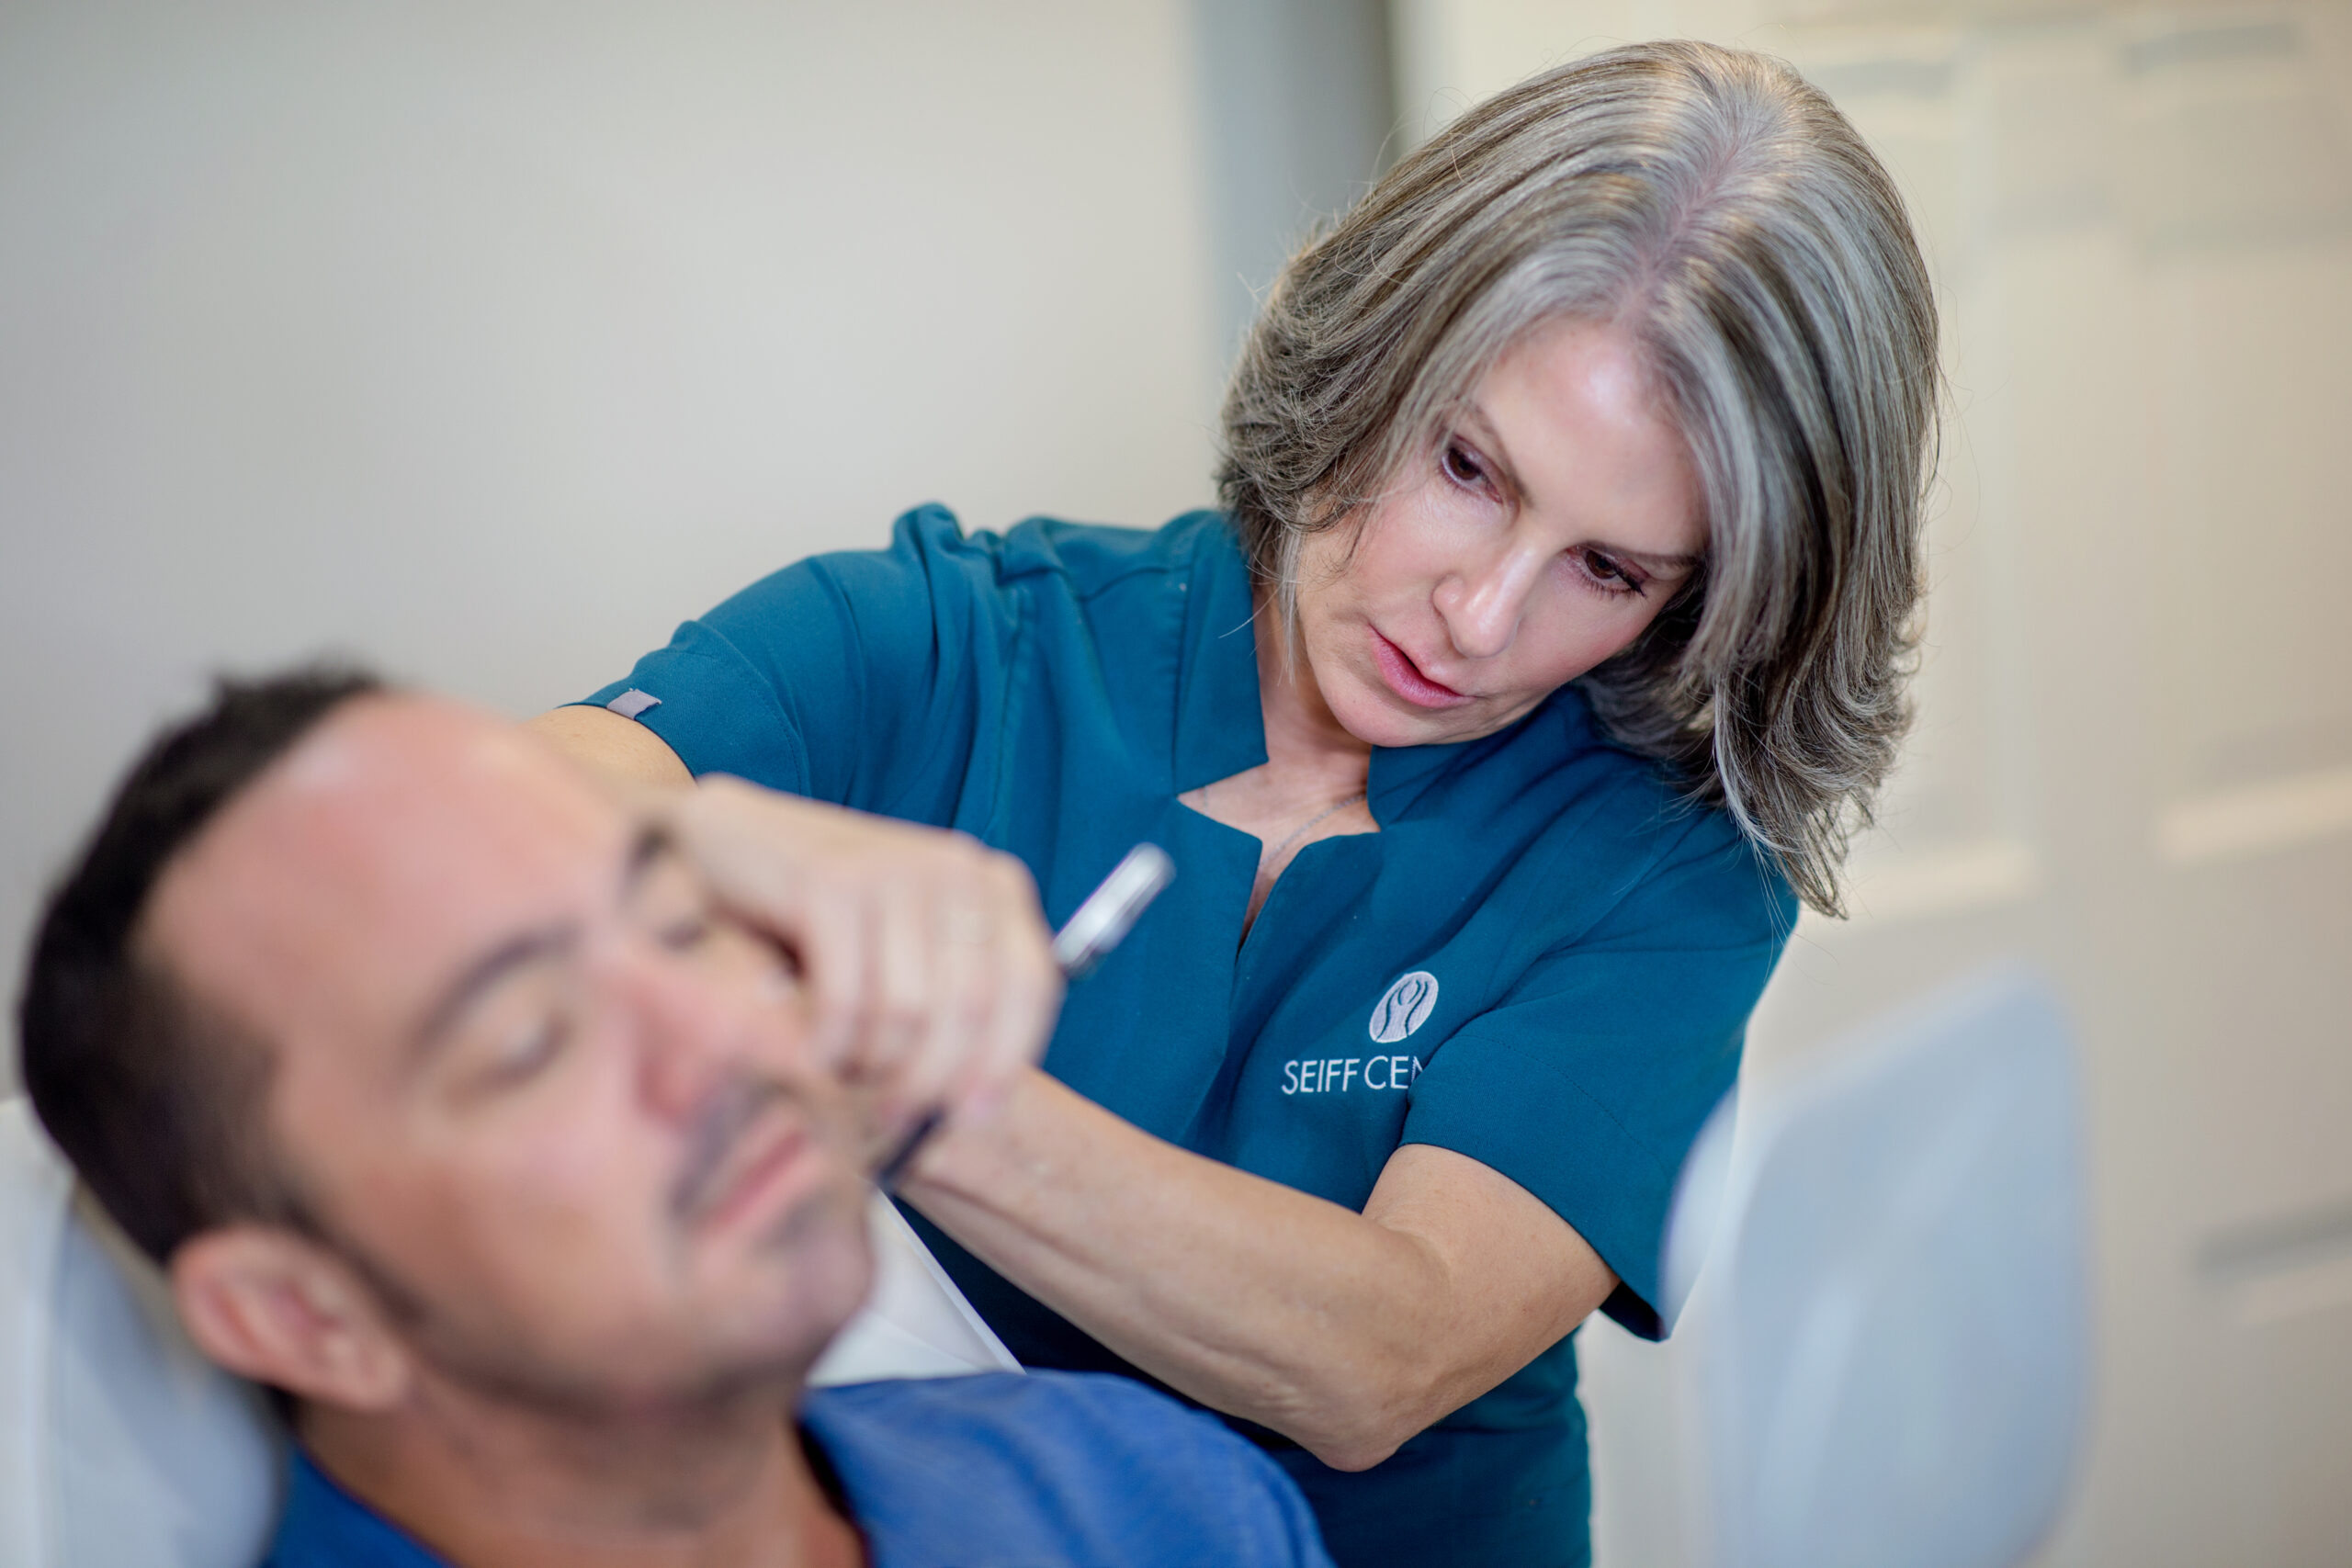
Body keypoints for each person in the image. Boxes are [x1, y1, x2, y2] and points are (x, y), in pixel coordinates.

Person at [533, 39, 1939, 1568]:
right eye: (1468, 466)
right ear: (1373, 350)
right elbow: (475, 822)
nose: (1479, 616)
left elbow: (1380, 1357)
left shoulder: (1662, 867)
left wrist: (891, 1076)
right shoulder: (956, 643)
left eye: (1607, 569)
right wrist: (727, 848)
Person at [15, 669, 1335, 1568]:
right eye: (532, 1039)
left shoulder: (1150, 1497)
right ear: (307, 1314)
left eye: (682, 925)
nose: (732, 1034)